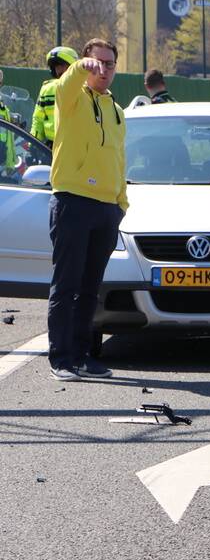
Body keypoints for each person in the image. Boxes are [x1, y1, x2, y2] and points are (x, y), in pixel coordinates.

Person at [47, 39, 128, 381]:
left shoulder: (116, 109)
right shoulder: (70, 96)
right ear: (84, 62)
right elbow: (65, 82)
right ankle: (61, 359)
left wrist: (121, 202)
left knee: (90, 288)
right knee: (66, 286)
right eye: (98, 63)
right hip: (73, 201)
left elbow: (117, 158)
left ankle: (82, 356)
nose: (104, 69)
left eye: (110, 64)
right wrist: (81, 68)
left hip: (107, 207)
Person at [32, 46, 79, 146]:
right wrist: (33, 145)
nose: (59, 69)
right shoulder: (47, 89)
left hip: (76, 146)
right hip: (51, 147)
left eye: (63, 65)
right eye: (56, 66)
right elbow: (38, 119)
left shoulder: (83, 88)